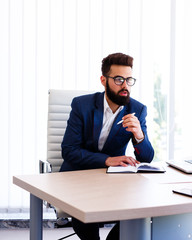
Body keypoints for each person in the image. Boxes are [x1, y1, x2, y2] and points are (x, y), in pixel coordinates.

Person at [60, 52, 154, 240]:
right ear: (104, 80)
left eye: (129, 80)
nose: (125, 86)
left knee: (138, 214)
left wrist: (139, 135)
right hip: (79, 176)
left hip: (113, 183)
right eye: (119, 80)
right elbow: (69, 150)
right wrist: (108, 160)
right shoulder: (82, 105)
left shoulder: (137, 109)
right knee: (85, 218)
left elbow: (147, 158)